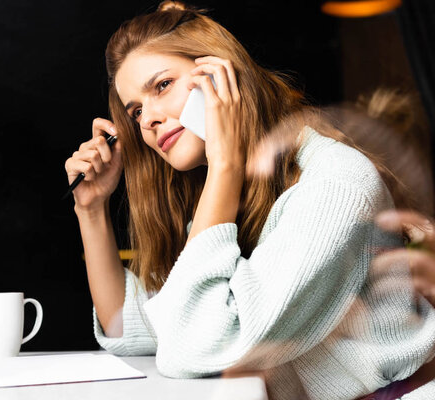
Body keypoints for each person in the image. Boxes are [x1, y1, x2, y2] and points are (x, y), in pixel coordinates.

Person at [64, 2, 435, 399]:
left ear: (221, 73)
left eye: (162, 85)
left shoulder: (335, 182)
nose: (147, 120)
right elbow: (135, 327)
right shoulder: (233, 198)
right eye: (135, 111)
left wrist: (224, 164)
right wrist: (91, 209)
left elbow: (197, 348)